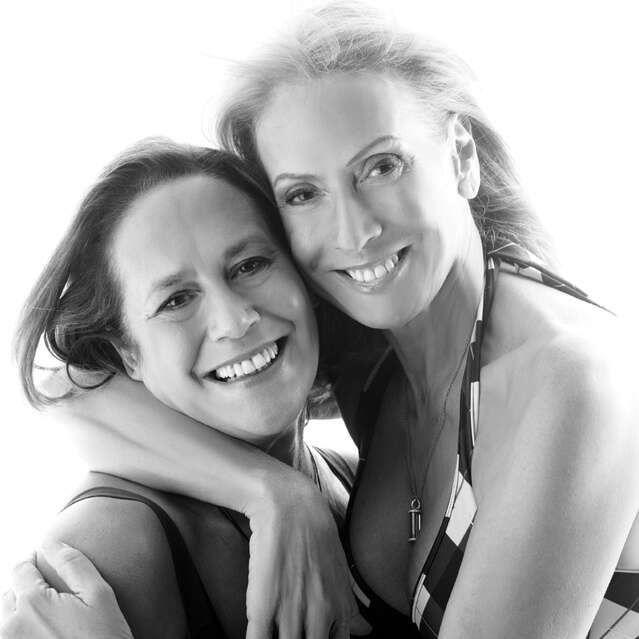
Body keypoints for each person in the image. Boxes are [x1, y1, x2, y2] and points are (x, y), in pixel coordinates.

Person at [6, 2, 639, 638]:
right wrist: (271, 491)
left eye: (383, 166)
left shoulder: (567, 376)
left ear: (461, 157)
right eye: (304, 194)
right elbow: (66, 389)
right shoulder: (374, 362)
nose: (354, 231)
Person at [3, 140, 366, 639]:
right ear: (127, 352)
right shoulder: (107, 547)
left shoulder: (351, 475)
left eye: (250, 265)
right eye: (175, 300)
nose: (234, 321)